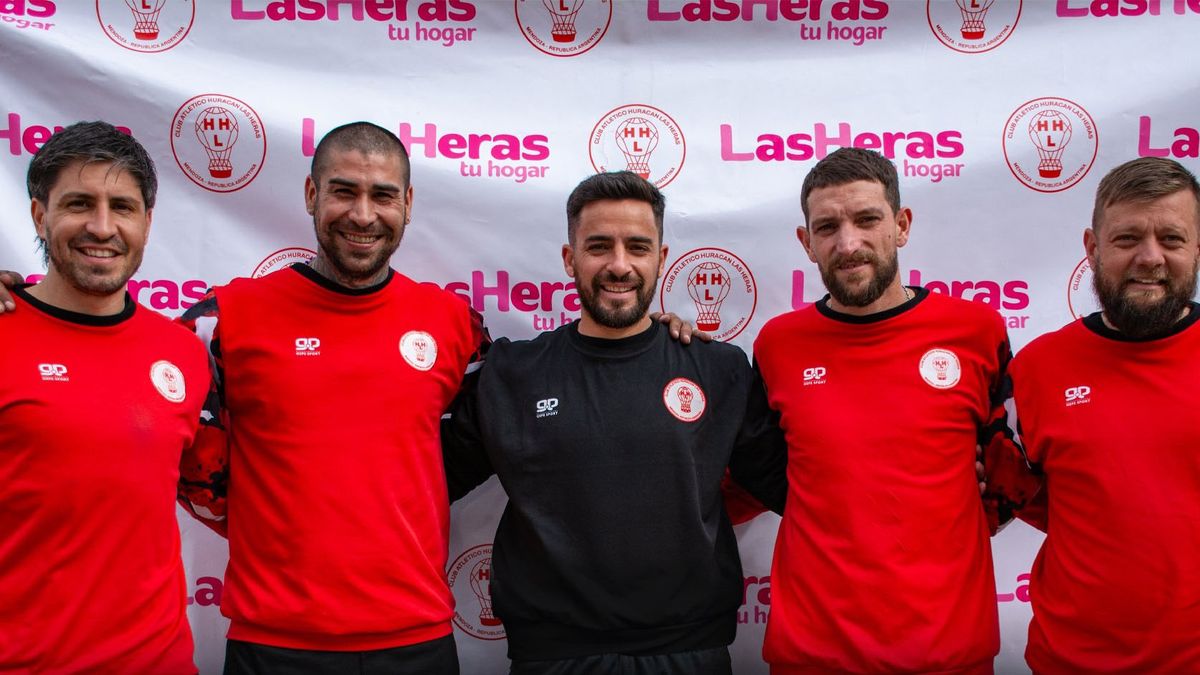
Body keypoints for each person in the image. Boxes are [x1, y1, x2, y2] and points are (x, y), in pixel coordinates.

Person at [441, 171, 787, 675]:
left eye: (638, 247)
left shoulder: (718, 369)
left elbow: (793, 487)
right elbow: (423, 478)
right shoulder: (513, 374)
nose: (619, 266)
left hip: (689, 651)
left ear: (662, 259)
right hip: (553, 655)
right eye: (599, 246)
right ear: (570, 258)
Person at [178, 122, 488, 673]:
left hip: (415, 642)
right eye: (344, 191)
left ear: (408, 203)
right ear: (311, 194)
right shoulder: (227, 318)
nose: (363, 215)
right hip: (273, 644)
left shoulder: (453, 323)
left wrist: (651, 337)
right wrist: (30, 310)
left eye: (383, 195)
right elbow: (132, 383)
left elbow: (541, 390)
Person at [752, 147, 1032, 674]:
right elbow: (747, 469)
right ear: (806, 242)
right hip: (811, 655)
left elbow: (1018, 468)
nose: (848, 242)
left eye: (867, 219)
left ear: (901, 225)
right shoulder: (777, 345)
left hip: (949, 653)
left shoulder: (977, 332)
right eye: (827, 226)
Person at [0, 121, 224, 673]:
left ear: (146, 223)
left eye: (121, 206)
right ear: (38, 215)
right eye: (80, 203)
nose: (102, 227)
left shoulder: (184, 352)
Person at [1001, 157, 1200, 672]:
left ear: (1197, 247)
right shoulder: (1037, 369)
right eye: (1127, 238)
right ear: (1091, 248)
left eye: (1172, 239)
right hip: (1069, 661)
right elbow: (1023, 492)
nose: (1150, 258)